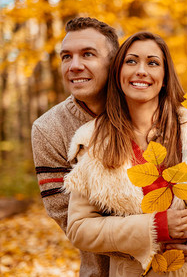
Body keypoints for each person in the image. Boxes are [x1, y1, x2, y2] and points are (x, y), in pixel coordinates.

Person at [63, 31, 187, 276]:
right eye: (131, 61)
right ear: (118, 73)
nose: (141, 71)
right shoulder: (94, 140)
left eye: (153, 63)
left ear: (164, 77)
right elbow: (79, 228)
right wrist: (153, 227)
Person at [31, 17, 120, 276]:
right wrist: (157, 233)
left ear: (114, 63)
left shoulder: (143, 107)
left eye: (88, 54)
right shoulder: (48, 129)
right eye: (66, 56)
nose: (74, 66)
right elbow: (72, 223)